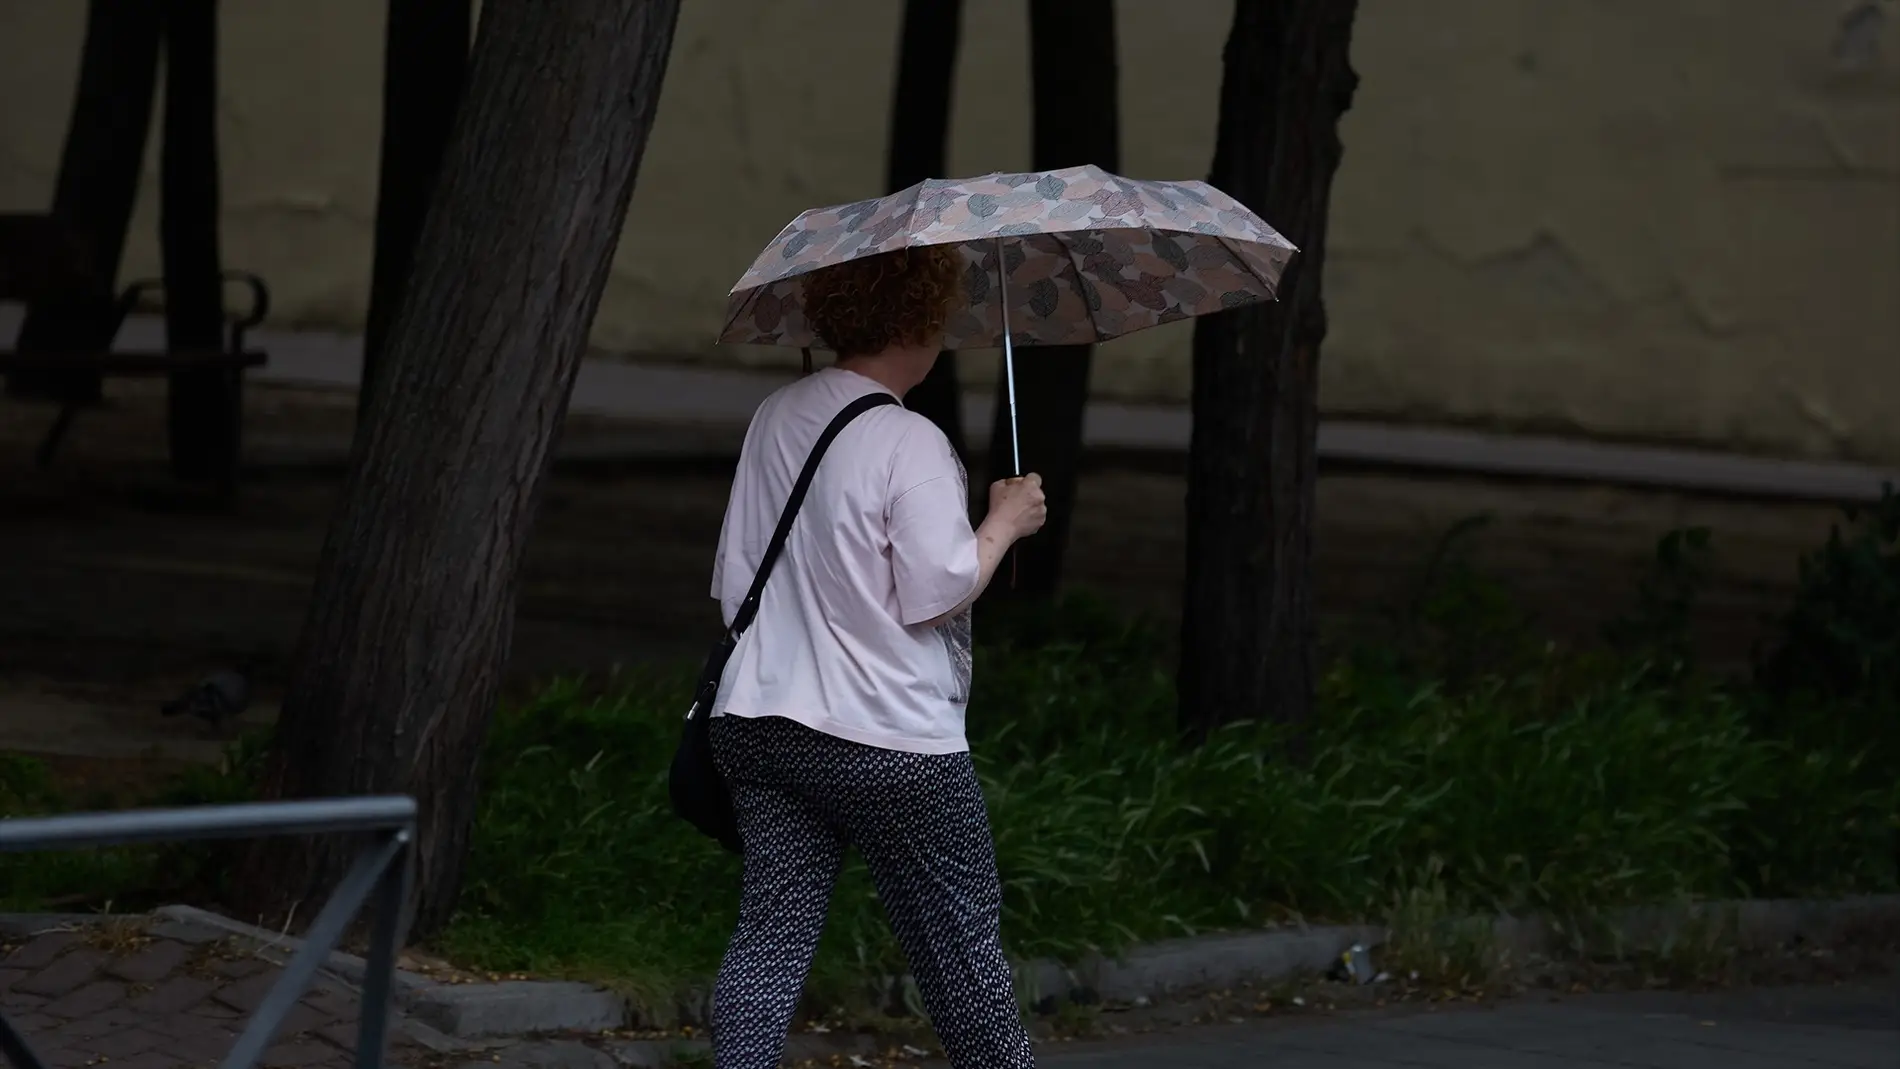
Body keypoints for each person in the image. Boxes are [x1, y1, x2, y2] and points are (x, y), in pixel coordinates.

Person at [706, 245, 1046, 1068]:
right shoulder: (908, 439)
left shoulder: (774, 417)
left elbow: (730, 585)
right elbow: (939, 588)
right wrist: (1005, 521)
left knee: (771, 935)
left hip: (759, 722)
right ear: (916, 323)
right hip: (890, 741)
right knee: (962, 952)